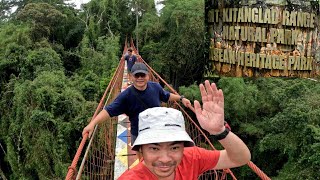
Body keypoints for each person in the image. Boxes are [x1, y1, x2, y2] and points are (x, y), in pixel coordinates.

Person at [118, 80, 251, 180]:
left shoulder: (191, 157)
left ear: (183, 147)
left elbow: (240, 158)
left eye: (174, 148)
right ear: (141, 149)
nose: (165, 159)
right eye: (154, 148)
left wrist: (219, 131)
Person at [82, 63, 192, 146]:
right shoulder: (125, 96)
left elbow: (166, 96)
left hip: (158, 130)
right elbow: (108, 111)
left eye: (142, 75)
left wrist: (181, 98)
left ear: (148, 76)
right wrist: (92, 124)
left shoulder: (156, 87)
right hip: (139, 134)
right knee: (143, 163)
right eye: (136, 75)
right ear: (130, 77)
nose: (140, 78)